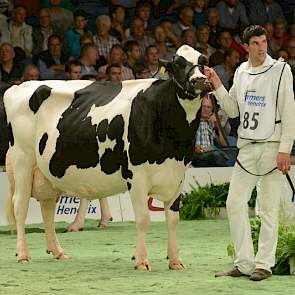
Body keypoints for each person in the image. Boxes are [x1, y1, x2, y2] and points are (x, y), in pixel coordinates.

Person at [205, 25, 295, 281]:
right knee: (234, 203)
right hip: (246, 149)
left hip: (271, 147)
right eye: (255, 43)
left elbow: (289, 111)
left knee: (267, 208)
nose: (261, 47)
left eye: (264, 42)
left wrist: (284, 150)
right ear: (245, 47)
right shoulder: (242, 72)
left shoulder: (280, 70)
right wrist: (217, 84)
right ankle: (243, 263)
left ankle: (263, 264)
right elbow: (233, 110)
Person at [191, 95, 229, 167]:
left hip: (210, 155)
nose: (206, 109)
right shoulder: (193, 122)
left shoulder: (211, 123)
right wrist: (195, 148)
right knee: (217, 155)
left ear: (212, 110)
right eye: (204, 106)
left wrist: (217, 124)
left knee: (216, 155)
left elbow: (224, 144)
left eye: (208, 107)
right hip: (197, 155)